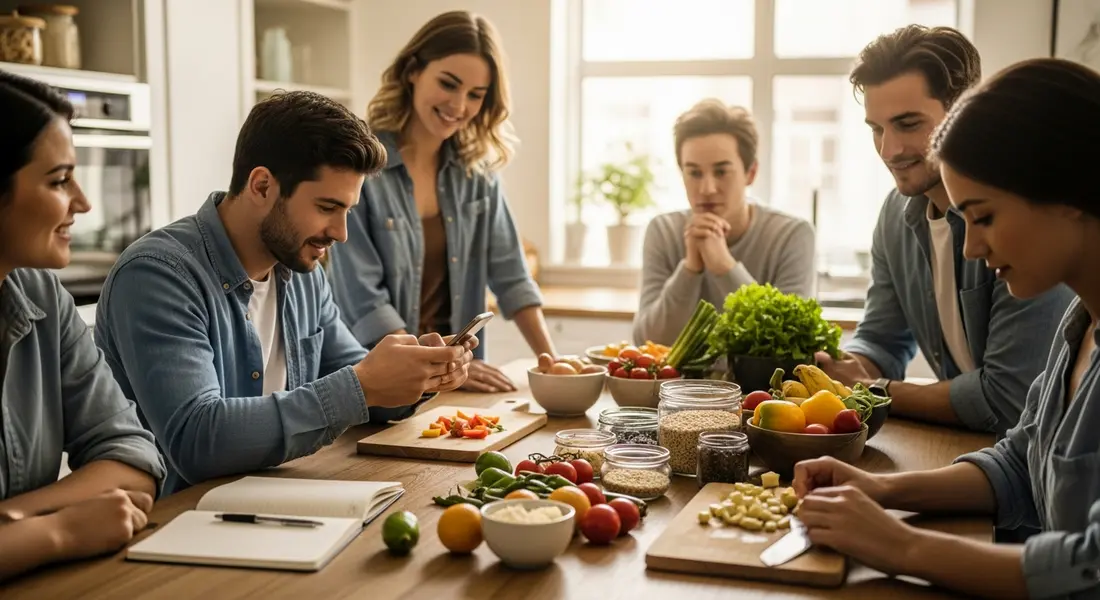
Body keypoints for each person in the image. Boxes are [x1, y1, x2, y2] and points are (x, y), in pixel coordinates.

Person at [793, 57, 1100, 600]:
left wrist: (901, 546)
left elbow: (1089, 567)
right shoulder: (1078, 325)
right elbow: (1018, 461)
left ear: (1070, 195)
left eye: (982, 218)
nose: (971, 248)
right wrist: (878, 488)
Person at [94, 91, 474, 496]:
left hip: (269, 504)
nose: (340, 233)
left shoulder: (301, 268)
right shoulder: (158, 275)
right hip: (172, 527)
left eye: (348, 210)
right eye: (327, 207)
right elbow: (197, 442)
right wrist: (363, 386)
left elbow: (354, 377)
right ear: (261, 186)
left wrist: (419, 373)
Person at [817, 26, 1073, 435]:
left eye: (907, 124)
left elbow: (1009, 398)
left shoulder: (1019, 220)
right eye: (876, 129)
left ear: (962, 112)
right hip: (973, 452)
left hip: (1032, 457)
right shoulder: (894, 214)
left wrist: (873, 389)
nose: (889, 150)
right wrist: (837, 371)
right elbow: (882, 338)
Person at [326, 10, 554, 394]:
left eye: (476, 95)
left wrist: (552, 362)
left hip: (457, 377)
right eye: (448, 84)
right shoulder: (361, 166)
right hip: (381, 384)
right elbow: (364, 300)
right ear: (413, 71)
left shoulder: (477, 175)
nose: (459, 105)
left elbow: (512, 277)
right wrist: (435, 364)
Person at [0, 69, 165, 580]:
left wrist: (16, 517)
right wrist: (59, 531)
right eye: (57, 180)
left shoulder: (42, 296)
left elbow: (133, 456)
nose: (84, 202)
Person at [633, 99, 816, 345]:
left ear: (750, 173)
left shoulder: (792, 235)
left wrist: (725, 267)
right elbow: (647, 342)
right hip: (677, 385)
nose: (707, 189)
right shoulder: (663, 231)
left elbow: (790, 342)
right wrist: (690, 268)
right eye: (694, 173)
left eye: (721, 172)